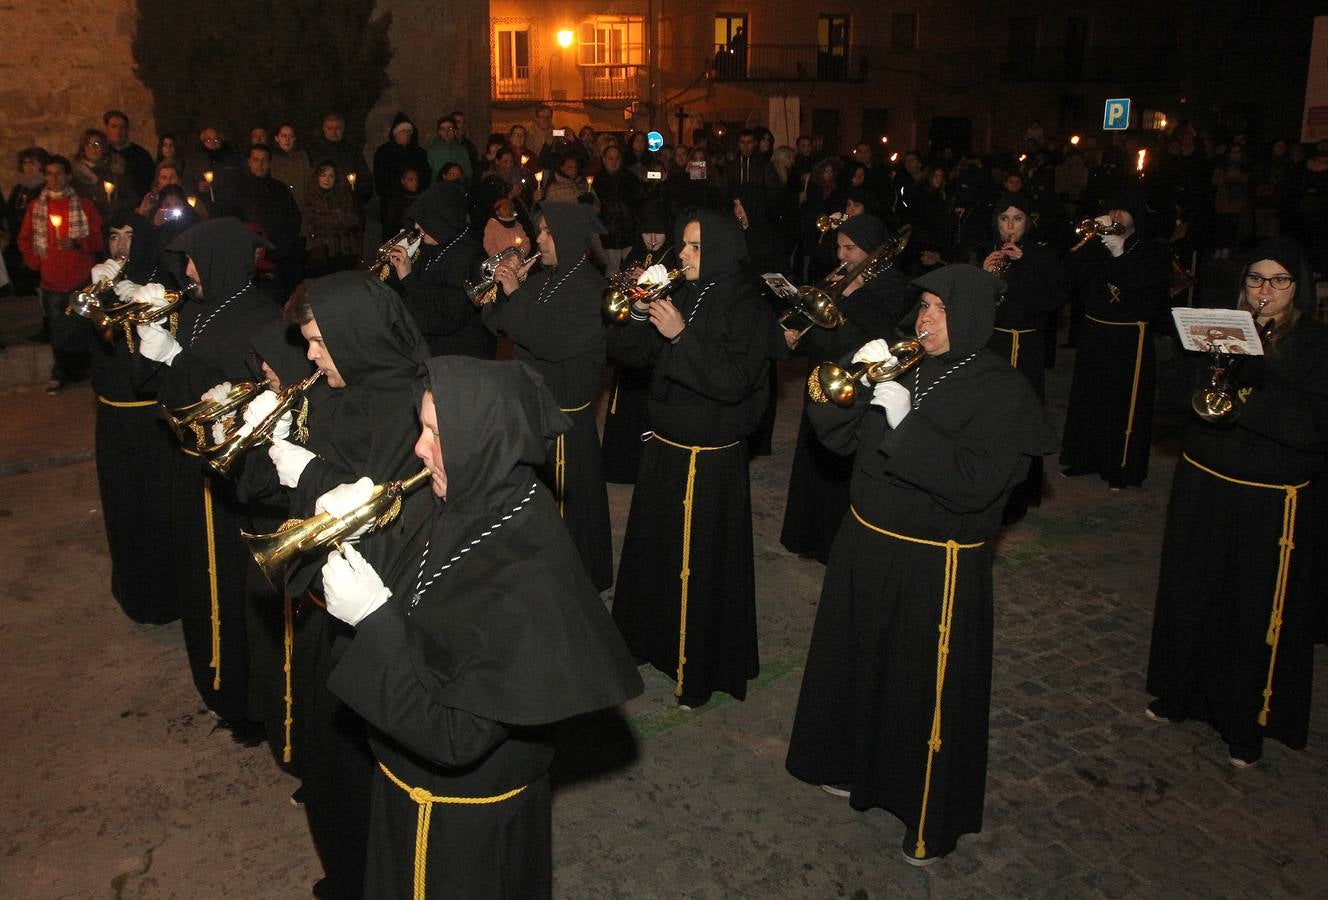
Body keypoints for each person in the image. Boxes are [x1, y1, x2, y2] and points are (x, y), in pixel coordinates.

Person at [318, 356, 642, 898]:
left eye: (436, 434)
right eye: (421, 428)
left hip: (458, 827)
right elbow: (429, 595)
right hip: (411, 791)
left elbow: (457, 735)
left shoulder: (530, 574)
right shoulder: (469, 502)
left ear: (485, 442)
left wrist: (374, 621)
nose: (419, 449)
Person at [786, 265, 1052, 866]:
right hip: (869, 545)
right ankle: (855, 766)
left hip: (933, 566)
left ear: (974, 319)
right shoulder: (913, 364)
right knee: (861, 666)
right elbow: (838, 441)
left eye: (941, 309)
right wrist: (854, 377)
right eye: (925, 305)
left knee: (917, 688)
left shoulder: (1001, 391)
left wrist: (908, 423)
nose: (925, 319)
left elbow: (978, 487)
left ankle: (926, 813)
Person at [269, 272, 431, 899]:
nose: (309, 355)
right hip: (325, 604)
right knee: (330, 760)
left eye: (318, 341)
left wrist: (305, 469)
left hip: (374, 618)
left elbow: (370, 508)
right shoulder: (339, 388)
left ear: (356, 338)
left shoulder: (404, 402)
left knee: (364, 769)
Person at [1146, 238, 1328, 768]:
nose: (1264, 292)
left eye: (1278, 281)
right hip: (1205, 482)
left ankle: (1246, 720)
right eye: (1255, 280)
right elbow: (1175, 398)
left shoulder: (1316, 345)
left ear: (1299, 289)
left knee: (1252, 609)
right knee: (1192, 591)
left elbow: (1315, 428)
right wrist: (1198, 364)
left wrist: (1257, 385)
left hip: (1268, 500)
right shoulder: (1220, 328)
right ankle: (1181, 692)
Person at [609, 210, 783, 708]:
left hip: (710, 459)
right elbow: (633, 357)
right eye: (684, 245)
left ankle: (698, 667)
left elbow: (734, 382)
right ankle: (648, 642)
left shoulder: (749, 308)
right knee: (656, 553)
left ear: (722, 251)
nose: (681, 255)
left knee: (702, 565)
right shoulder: (685, 290)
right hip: (665, 449)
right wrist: (639, 315)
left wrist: (682, 336)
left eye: (693, 247)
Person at [131, 217, 279, 732]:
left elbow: (240, 398)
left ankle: (240, 696)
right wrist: (154, 348)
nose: (187, 271)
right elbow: (175, 383)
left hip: (229, 479)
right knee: (196, 578)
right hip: (189, 465)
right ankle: (214, 680)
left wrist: (177, 359)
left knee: (226, 588)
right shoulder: (198, 307)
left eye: (193, 260)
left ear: (220, 260)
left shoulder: (258, 317)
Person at [487, 204, 614, 591]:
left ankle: (569, 580)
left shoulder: (591, 289)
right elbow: (498, 326)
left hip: (566, 420)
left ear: (569, 238)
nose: (537, 239)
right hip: (536, 411)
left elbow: (550, 341)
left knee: (569, 514)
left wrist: (517, 296)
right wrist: (502, 289)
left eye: (546, 232)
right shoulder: (548, 279)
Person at [780, 214, 916, 563]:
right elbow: (825, 324)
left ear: (871, 250)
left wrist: (855, 296)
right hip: (825, 373)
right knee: (815, 453)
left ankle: (833, 544)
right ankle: (807, 535)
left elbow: (887, 332)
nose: (842, 255)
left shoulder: (894, 283)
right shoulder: (841, 277)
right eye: (839, 247)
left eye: (850, 248)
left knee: (842, 460)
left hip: (859, 382)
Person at [80, 212, 178, 624]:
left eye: (130, 236)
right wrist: (90, 294)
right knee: (122, 509)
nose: (122, 246)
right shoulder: (98, 286)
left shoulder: (162, 285)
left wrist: (147, 304)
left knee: (159, 511)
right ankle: (134, 593)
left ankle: (169, 597)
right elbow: (67, 343)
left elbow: (177, 351)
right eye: (114, 237)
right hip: (113, 422)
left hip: (153, 421)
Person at [1060, 189, 1170, 489]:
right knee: (1089, 396)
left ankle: (1121, 465)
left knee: (1122, 400)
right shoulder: (1096, 244)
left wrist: (1120, 254)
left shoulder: (1150, 251)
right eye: (1112, 210)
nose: (1116, 216)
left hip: (1129, 336)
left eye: (1123, 210)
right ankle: (1083, 457)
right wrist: (1091, 241)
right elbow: (1071, 273)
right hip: (1096, 330)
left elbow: (1144, 289)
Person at [978, 192, 1069, 519]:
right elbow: (975, 306)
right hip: (995, 343)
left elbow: (1052, 299)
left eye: (1017, 219)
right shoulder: (988, 252)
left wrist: (1021, 266)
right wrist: (984, 276)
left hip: (1027, 345)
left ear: (1027, 222)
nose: (1010, 226)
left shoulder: (1041, 255)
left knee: (1023, 412)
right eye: (1004, 219)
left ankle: (1022, 489)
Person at [19, 154, 104, 392]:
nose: (53, 178)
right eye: (49, 173)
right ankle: (61, 372)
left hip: (80, 278)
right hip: (52, 280)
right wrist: (37, 262)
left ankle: (93, 371)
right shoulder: (37, 207)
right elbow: (25, 239)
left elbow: (99, 239)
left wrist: (78, 243)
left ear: (68, 176)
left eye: (59, 173)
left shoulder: (84, 205)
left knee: (86, 328)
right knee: (58, 331)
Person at [391, 180, 492, 359]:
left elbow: (448, 317)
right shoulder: (431, 247)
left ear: (443, 219)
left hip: (456, 353)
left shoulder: (469, 257)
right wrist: (397, 265)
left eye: (424, 221)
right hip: (423, 345)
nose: (416, 227)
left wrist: (409, 278)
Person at [303, 161, 363, 278]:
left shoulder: (344, 195)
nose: (327, 179)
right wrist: (336, 217)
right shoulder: (311, 196)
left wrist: (336, 218)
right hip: (321, 250)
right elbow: (312, 219)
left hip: (344, 250)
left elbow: (354, 219)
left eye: (331, 176)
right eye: (323, 175)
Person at [373, 113, 431, 233]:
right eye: (403, 131)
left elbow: (426, 176)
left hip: (415, 202)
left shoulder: (419, 153)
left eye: (409, 131)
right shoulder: (384, 153)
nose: (407, 134)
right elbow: (380, 180)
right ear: (395, 134)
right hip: (392, 204)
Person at [103, 109, 155, 197]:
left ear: (127, 130)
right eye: (114, 126)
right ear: (106, 128)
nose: (118, 131)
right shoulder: (101, 154)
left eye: (122, 127)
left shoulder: (141, 155)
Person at [426, 117, 472, 188]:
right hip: (439, 190)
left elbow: (468, 173)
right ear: (438, 132)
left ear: (454, 130)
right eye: (443, 129)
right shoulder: (432, 151)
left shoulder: (462, 150)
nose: (446, 132)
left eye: (450, 129)